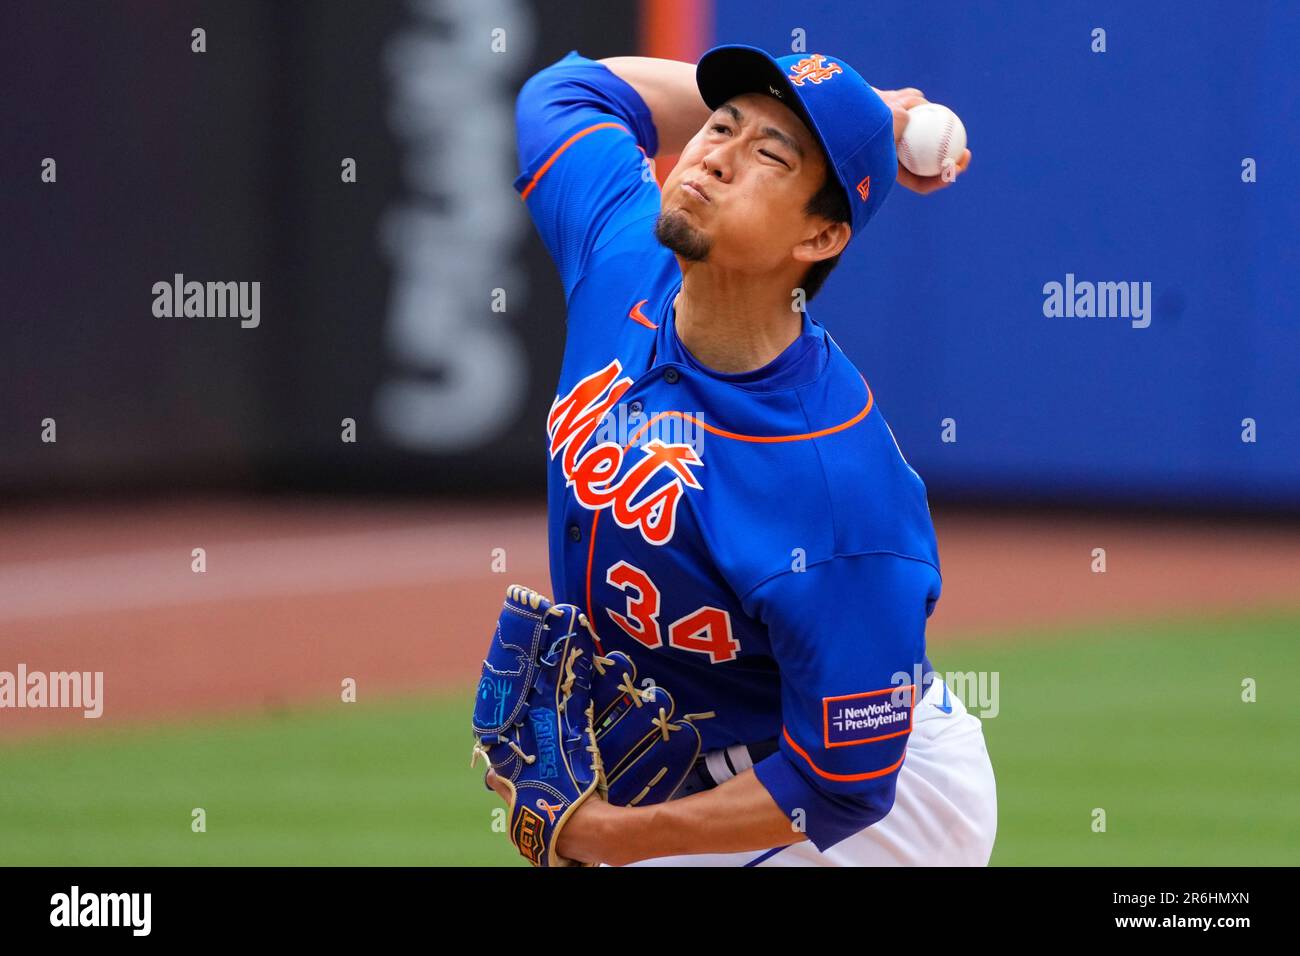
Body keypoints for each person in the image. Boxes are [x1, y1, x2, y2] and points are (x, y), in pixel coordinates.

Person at [487, 43, 996, 866]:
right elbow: (571, 91)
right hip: (715, 766)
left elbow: (845, 781)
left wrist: (612, 839)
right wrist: (862, 108)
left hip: (870, 815)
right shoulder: (622, 256)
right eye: (719, 125)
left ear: (823, 235)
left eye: (767, 155)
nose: (715, 155)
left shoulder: (834, 487)